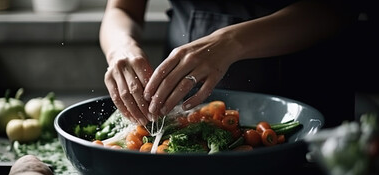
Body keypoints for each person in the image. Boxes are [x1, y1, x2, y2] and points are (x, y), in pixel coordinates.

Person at [99, 0, 361, 128]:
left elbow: (338, 7)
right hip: (183, 111)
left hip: (310, 99)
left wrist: (231, 41)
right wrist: (121, 48)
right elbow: (123, 9)